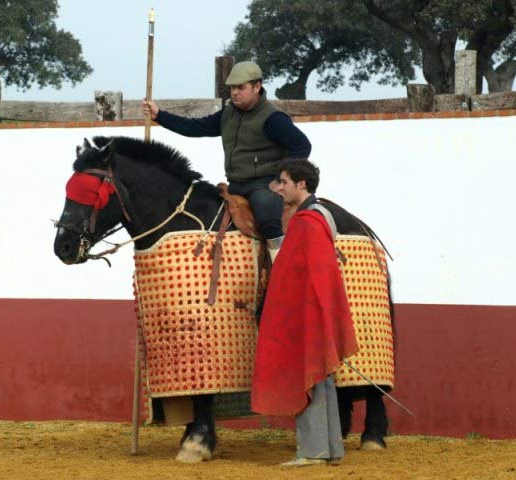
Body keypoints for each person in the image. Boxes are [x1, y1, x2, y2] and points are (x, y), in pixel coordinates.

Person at [142, 61, 311, 261]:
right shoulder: (228, 114)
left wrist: (281, 180)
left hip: (264, 186)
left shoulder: (273, 118)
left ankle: (282, 268)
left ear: (257, 87)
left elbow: (302, 146)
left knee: (267, 215)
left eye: (241, 88)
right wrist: (159, 116)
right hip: (235, 185)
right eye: (232, 88)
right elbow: (195, 127)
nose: (235, 93)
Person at [250, 159, 358, 467]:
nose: (279, 188)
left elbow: (300, 277)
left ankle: (312, 452)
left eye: (284, 182)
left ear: (302, 184)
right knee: (321, 378)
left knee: (310, 377)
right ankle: (329, 450)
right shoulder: (321, 217)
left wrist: (296, 314)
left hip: (308, 314)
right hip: (317, 311)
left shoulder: (306, 222)